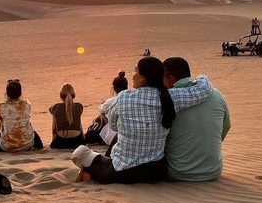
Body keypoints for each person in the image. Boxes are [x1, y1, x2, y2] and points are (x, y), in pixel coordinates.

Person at [71, 57, 213, 184]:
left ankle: (91, 171)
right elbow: (204, 90)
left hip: (121, 172)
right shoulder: (170, 97)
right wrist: (201, 77)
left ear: (143, 78)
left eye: (135, 70)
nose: (132, 75)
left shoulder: (124, 97)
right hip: (155, 173)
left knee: (80, 152)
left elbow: (113, 125)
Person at [163, 57, 231, 182]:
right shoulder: (216, 94)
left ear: (171, 78)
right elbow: (226, 126)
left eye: (163, 78)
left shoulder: (168, 99)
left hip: (176, 172)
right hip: (213, 171)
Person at [0, 79, 43, 152]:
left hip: (7, 147)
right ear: (20, 92)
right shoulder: (27, 104)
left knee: (2, 127)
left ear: (7, 93)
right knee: (27, 126)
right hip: (27, 144)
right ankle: (38, 146)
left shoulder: (2, 106)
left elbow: (2, 119)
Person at [98, 71, 129, 147]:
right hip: (127, 133)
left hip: (114, 136)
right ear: (127, 87)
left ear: (114, 88)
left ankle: (104, 136)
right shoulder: (129, 100)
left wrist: (102, 104)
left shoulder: (111, 101)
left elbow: (101, 109)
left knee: (101, 114)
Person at [50, 83, 84, 149]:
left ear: (61, 96)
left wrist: (53, 142)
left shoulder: (56, 108)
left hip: (61, 141)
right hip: (77, 141)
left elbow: (54, 128)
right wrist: (83, 139)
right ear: (74, 95)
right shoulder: (79, 106)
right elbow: (79, 125)